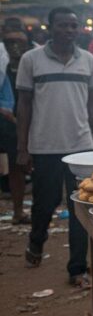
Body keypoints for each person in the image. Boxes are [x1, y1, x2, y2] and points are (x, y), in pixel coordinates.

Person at [17, 7, 93, 289]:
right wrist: (23, 147)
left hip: (81, 146)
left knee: (79, 208)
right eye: (63, 25)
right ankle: (36, 239)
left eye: (73, 26)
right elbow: (25, 104)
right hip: (45, 146)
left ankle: (77, 268)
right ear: (50, 27)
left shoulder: (88, 60)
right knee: (45, 203)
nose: (69, 30)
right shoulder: (31, 60)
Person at [1, 26, 29, 224]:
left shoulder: (32, 64)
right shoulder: (3, 67)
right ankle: (18, 211)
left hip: (32, 124)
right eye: (10, 42)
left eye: (18, 42)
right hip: (7, 125)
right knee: (14, 167)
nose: (15, 47)